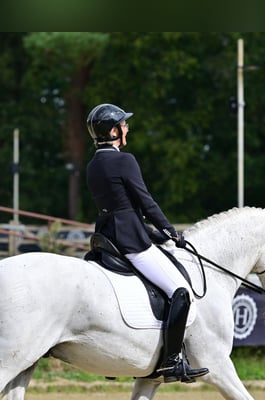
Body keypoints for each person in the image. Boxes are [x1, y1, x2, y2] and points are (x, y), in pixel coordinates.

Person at [85, 103, 209, 383]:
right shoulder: (124, 160)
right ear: (115, 131)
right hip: (130, 239)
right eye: (124, 125)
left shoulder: (93, 165)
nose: (128, 128)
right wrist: (169, 230)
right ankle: (172, 361)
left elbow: (121, 206)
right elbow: (145, 201)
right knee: (180, 292)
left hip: (109, 234)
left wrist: (154, 233)